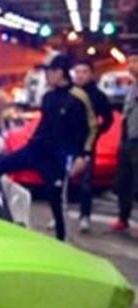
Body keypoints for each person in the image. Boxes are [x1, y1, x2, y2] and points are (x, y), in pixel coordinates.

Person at [0, 54, 97, 242]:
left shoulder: (78, 97)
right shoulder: (48, 97)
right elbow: (45, 122)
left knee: (57, 201)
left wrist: (84, 155)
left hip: (58, 157)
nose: (47, 77)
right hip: (36, 149)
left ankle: (62, 240)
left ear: (60, 73)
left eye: (49, 72)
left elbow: (91, 128)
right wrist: (33, 139)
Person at [72, 61, 113, 232]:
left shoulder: (98, 96)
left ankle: (85, 216)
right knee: (62, 179)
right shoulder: (69, 93)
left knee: (86, 182)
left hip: (87, 143)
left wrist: (96, 133)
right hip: (67, 142)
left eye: (84, 71)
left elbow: (108, 119)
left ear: (91, 74)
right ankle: (58, 214)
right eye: (78, 72)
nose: (81, 75)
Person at [113, 45, 138, 234]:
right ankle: (123, 218)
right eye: (129, 61)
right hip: (128, 140)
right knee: (124, 183)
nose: (131, 66)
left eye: (135, 61)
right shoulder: (132, 87)